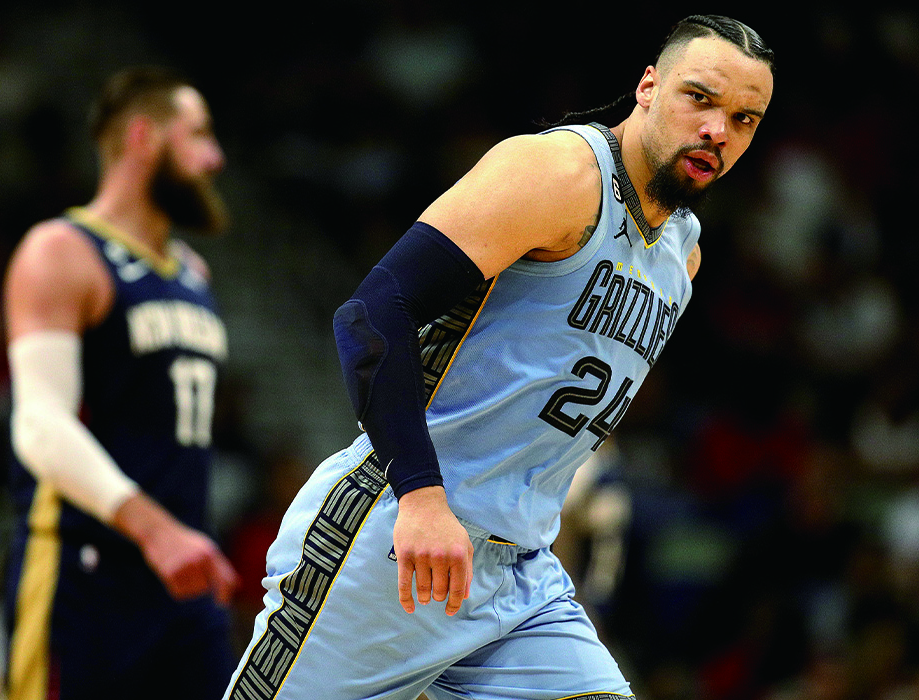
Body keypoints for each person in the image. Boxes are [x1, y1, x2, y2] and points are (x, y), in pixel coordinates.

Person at [224, 15, 775, 700]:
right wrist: (421, 494)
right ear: (648, 87)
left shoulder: (682, 255)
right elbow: (371, 316)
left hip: (520, 575)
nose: (718, 130)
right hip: (401, 539)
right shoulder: (560, 173)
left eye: (744, 119)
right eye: (700, 98)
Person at [3, 66, 240, 700]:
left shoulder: (193, 271)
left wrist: (178, 537)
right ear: (142, 137)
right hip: (84, 574)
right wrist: (155, 529)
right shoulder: (60, 250)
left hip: (183, 574)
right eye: (198, 134)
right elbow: (39, 424)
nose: (214, 158)